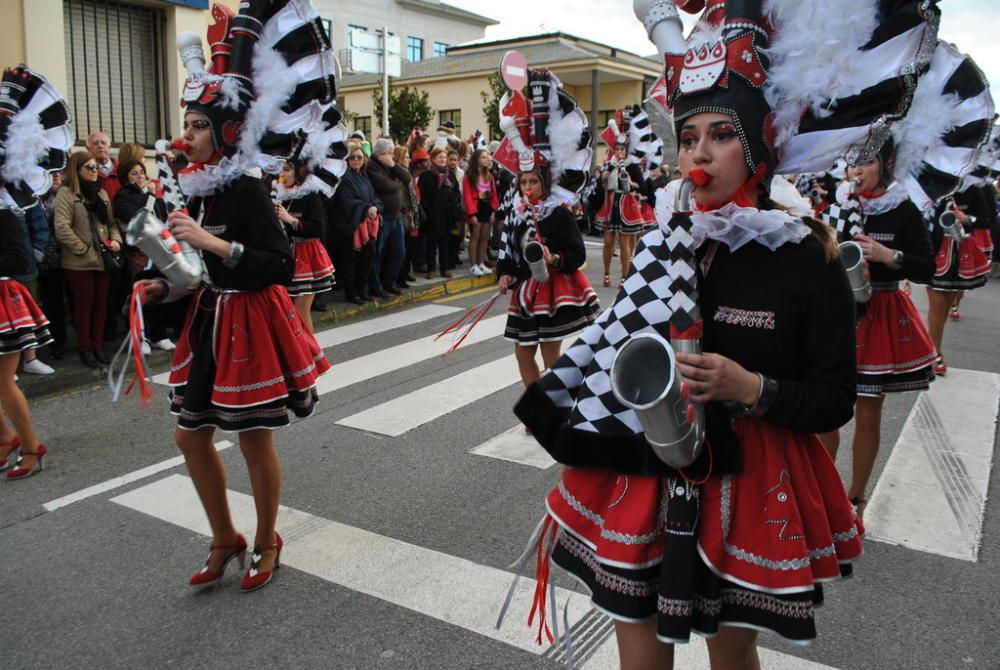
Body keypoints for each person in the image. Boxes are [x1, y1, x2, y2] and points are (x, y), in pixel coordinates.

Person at [506, 1, 943, 665]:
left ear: (760, 146)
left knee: (730, 659)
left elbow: (832, 401)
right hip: (646, 473)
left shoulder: (806, 255)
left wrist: (753, 387)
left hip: (746, 485)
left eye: (720, 135)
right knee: (639, 655)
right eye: (688, 138)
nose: (699, 154)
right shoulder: (666, 240)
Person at [134, 1, 334, 592]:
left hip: (251, 318)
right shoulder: (194, 186)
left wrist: (212, 247)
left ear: (224, 131)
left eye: (197, 125)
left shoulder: (247, 186)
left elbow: (275, 266)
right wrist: (161, 281)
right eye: (186, 123)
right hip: (209, 316)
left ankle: (268, 537)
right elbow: (191, 266)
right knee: (188, 434)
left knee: (252, 438)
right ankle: (225, 536)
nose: (186, 134)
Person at [819, 144, 936, 518]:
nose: (857, 170)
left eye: (866, 162)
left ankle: (855, 497)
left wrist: (889, 257)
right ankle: (821, 491)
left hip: (881, 313)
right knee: (826, 410)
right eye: (853, 162)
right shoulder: (836, 205)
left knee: (868, 414)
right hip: (838, 314)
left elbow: (927, 267)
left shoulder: (902, 208)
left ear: (885, 165)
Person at [0, 64, 74, 479]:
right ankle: (6, 440)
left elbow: (17, 260)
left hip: (4, 302)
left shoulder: (5, 210)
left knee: (4, 382)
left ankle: (29, 445)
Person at [53, 151, 120, 368]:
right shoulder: (67, 193)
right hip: (79, 261)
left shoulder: (100, 194)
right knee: (84, 306)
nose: (94, 171)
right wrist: (81, 248)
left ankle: (98, 345)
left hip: (103, 258)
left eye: (95, 167)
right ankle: (86, 348)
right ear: (77, 170)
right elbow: (62, 227)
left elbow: (111, 223)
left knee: (102, 305)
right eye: (89, 167)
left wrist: (116, 240)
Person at [275, 160, 334, 332]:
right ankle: (294, 350)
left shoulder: (311, 196)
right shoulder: (277, 194)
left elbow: (317, 229)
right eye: (280, 170)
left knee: (301, 310)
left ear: (299, 173)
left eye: (287, 170)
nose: (282, 174)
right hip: (284, 254)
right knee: (285, 310)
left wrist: (290, 220)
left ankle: (309, 351)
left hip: (307, 255)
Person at [328, 143, 383, 304]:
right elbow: (346, 201)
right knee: (348, 262)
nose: (357, 160)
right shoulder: (343, 177)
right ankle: (352, 293)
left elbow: (374, 197)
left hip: (365, 225)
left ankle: (361, 289)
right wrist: (367, 207)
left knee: (367, 258)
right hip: (348, 226)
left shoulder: (364, 177)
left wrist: (375, 207)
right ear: (347, 159)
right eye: (353, 157)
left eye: (360, 157)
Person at [365, 138, 409, 297]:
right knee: (379, 253)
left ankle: (389, 282)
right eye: (389, 153)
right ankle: (376, 286)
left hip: (396, 216)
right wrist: (397, 183)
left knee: (399, 251)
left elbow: (407, 178)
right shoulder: (371, 166)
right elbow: (386, 186)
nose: (391, 156)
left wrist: (393, 166)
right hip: (383, 217)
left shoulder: (390, 166)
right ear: (380, 154)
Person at [418, 147, 458, 278]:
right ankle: (431, 269)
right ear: (433, 158)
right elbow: (422, 195)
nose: (443, 160)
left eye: (444, 157)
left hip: (446, 214)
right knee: (431, 243)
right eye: (440, 157)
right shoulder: (426, 175)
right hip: (432, 215)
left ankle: (444, 268)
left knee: (445, 243)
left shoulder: (450, 175)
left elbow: (456, 192)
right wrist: (428, 209)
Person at [463, 148, 499, 276]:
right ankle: (473, 265)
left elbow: (494, 194)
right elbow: (467, 197)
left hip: (487, 207)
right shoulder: (468, 177)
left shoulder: (489, 175)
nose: (487, 159)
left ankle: (481, 263)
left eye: (487, 156)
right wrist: (472, 214)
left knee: (485, 238)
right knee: (475, 237)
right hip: (476, 207)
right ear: (476, 159)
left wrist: (493, 211)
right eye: (483, 157)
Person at [393, 145, 419, 288]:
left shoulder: (407, 172)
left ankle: (403, 274)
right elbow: (401, 196)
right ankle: (398, 277)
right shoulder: (398, 174)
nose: (409, 159)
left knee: (408, 247)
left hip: (410, 213)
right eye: (406, 157)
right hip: (403, 213)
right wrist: (406, 210)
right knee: (401, 248)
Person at [86, 131, 121, 203]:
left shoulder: (123, 170)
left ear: (109, 147)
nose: (100, 146)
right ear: (88, 148)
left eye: (103, 143)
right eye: (95, 143)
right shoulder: (85, 172)